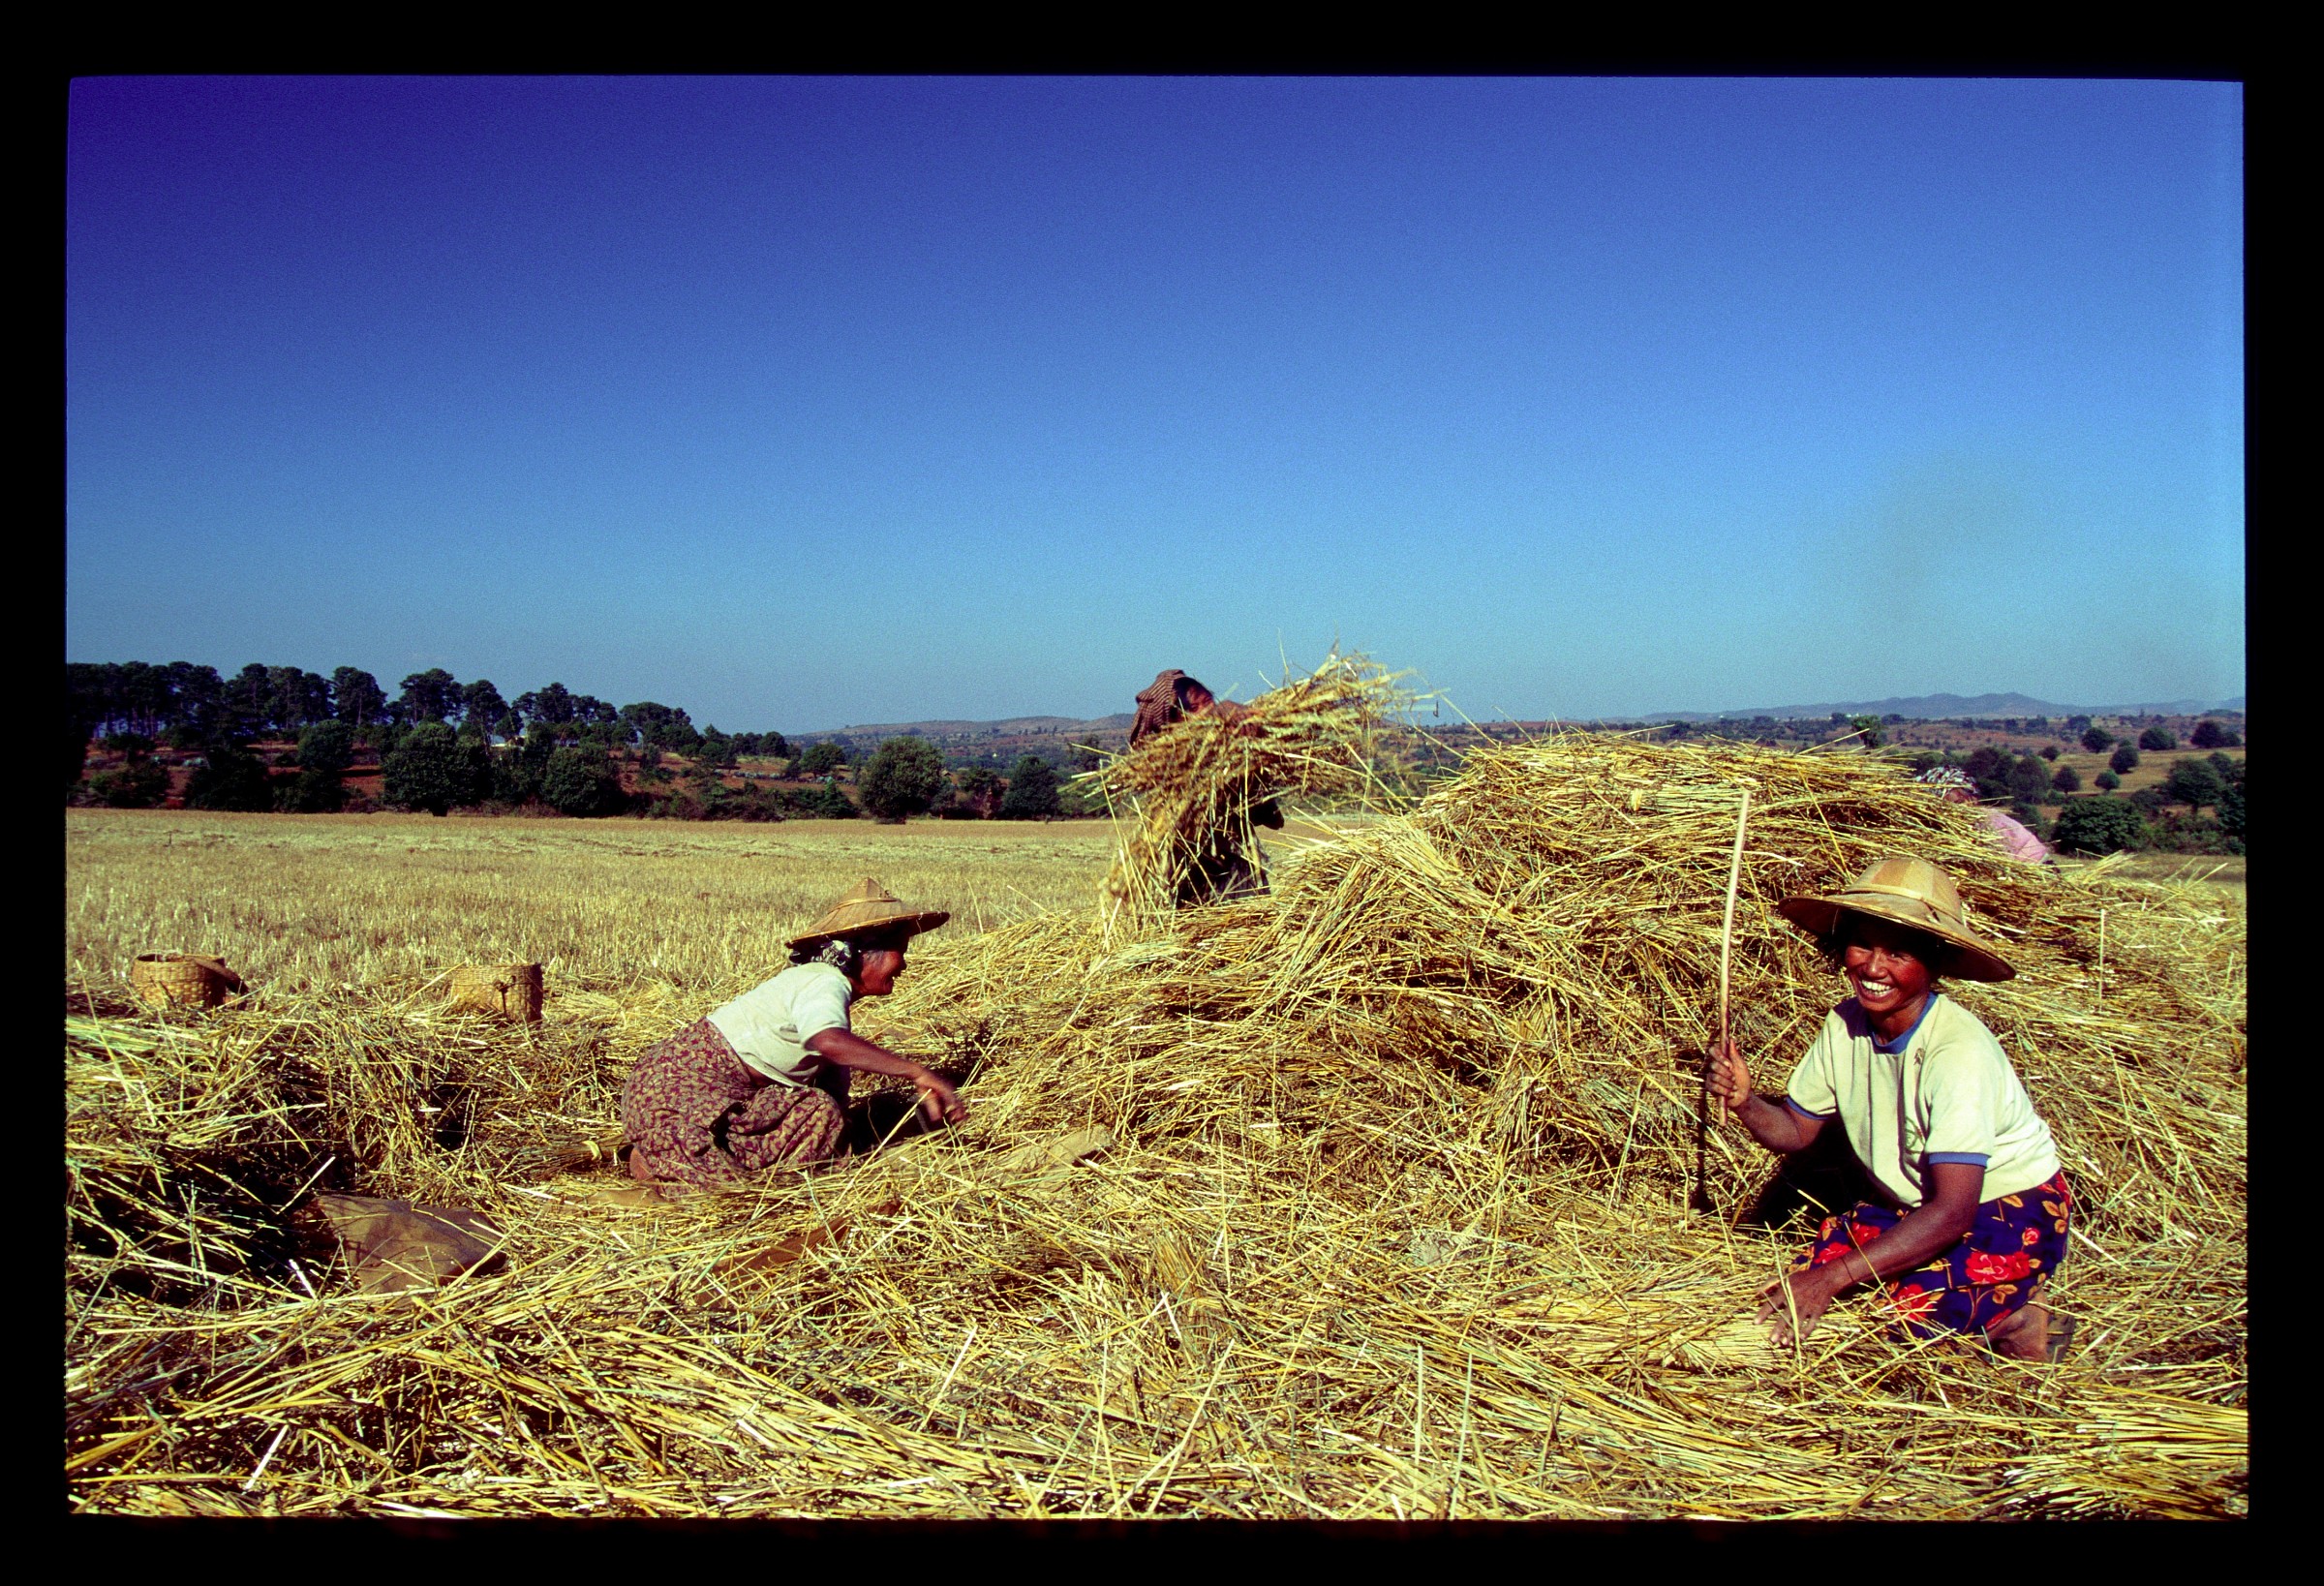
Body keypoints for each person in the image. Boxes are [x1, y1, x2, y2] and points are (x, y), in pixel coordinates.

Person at [1707, 855, 2074, 1362]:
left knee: (1898, 1318)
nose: (1874, 968)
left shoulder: (1956, 1052)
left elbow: (1954, 1211)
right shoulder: (1845, 1024)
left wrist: (1833, 1279)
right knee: (1815, 1273)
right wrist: (1745, 1101)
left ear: (1935, 964)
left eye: (1898, 953)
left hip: (2007, 1207)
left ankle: (2018, 1319)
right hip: (1922, 1205)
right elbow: (1795, 1130)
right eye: (1862, 945)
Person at [620, 879, 967, 1189]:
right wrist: (917, 1072)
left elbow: (834, 1087)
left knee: (824, 1118)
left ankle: (673, 1156)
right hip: (677, 1089)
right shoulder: (825, 981)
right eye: (900, 952)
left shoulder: (825, 995)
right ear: (862, 953)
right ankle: (664, 1158)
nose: (904, 965)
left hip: (679, 1088)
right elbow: (828, 1043)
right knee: (817, 1115)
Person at [1128, 668, 1285, 903]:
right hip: (1194, 882)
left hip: (1239, 878)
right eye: (1195, 709)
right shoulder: (1170, 769)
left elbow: (1273, 819)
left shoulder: (1228, 756)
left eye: (1209, 702)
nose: (1209, 712)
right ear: (1172, 724)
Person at [1916, 766, 2053, 865]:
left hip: (2035, 868)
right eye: (1955, 804)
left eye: (1962, 800)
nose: (1964, 806)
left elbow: (1996, 860)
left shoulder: (1987, 820)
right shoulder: (1954, 827)